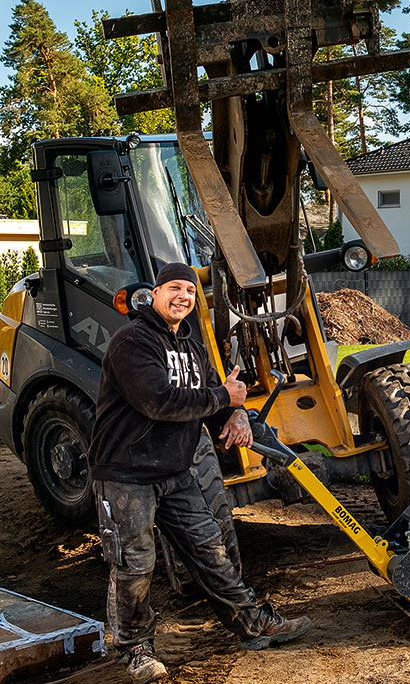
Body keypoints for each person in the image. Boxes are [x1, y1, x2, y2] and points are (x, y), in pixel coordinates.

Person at [89, 263, 310, 683]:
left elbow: (218, 392)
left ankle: (252, 624)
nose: (183, 297)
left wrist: (237, 412)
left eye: (190, 291)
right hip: (125, 472)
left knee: (211, 548)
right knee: (135, 562)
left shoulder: (191, 344)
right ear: (154, 294)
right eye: (174, 288)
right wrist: (225, 396)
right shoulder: (132, 342)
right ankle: (134, 647)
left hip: (175, 468)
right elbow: (159, 400)